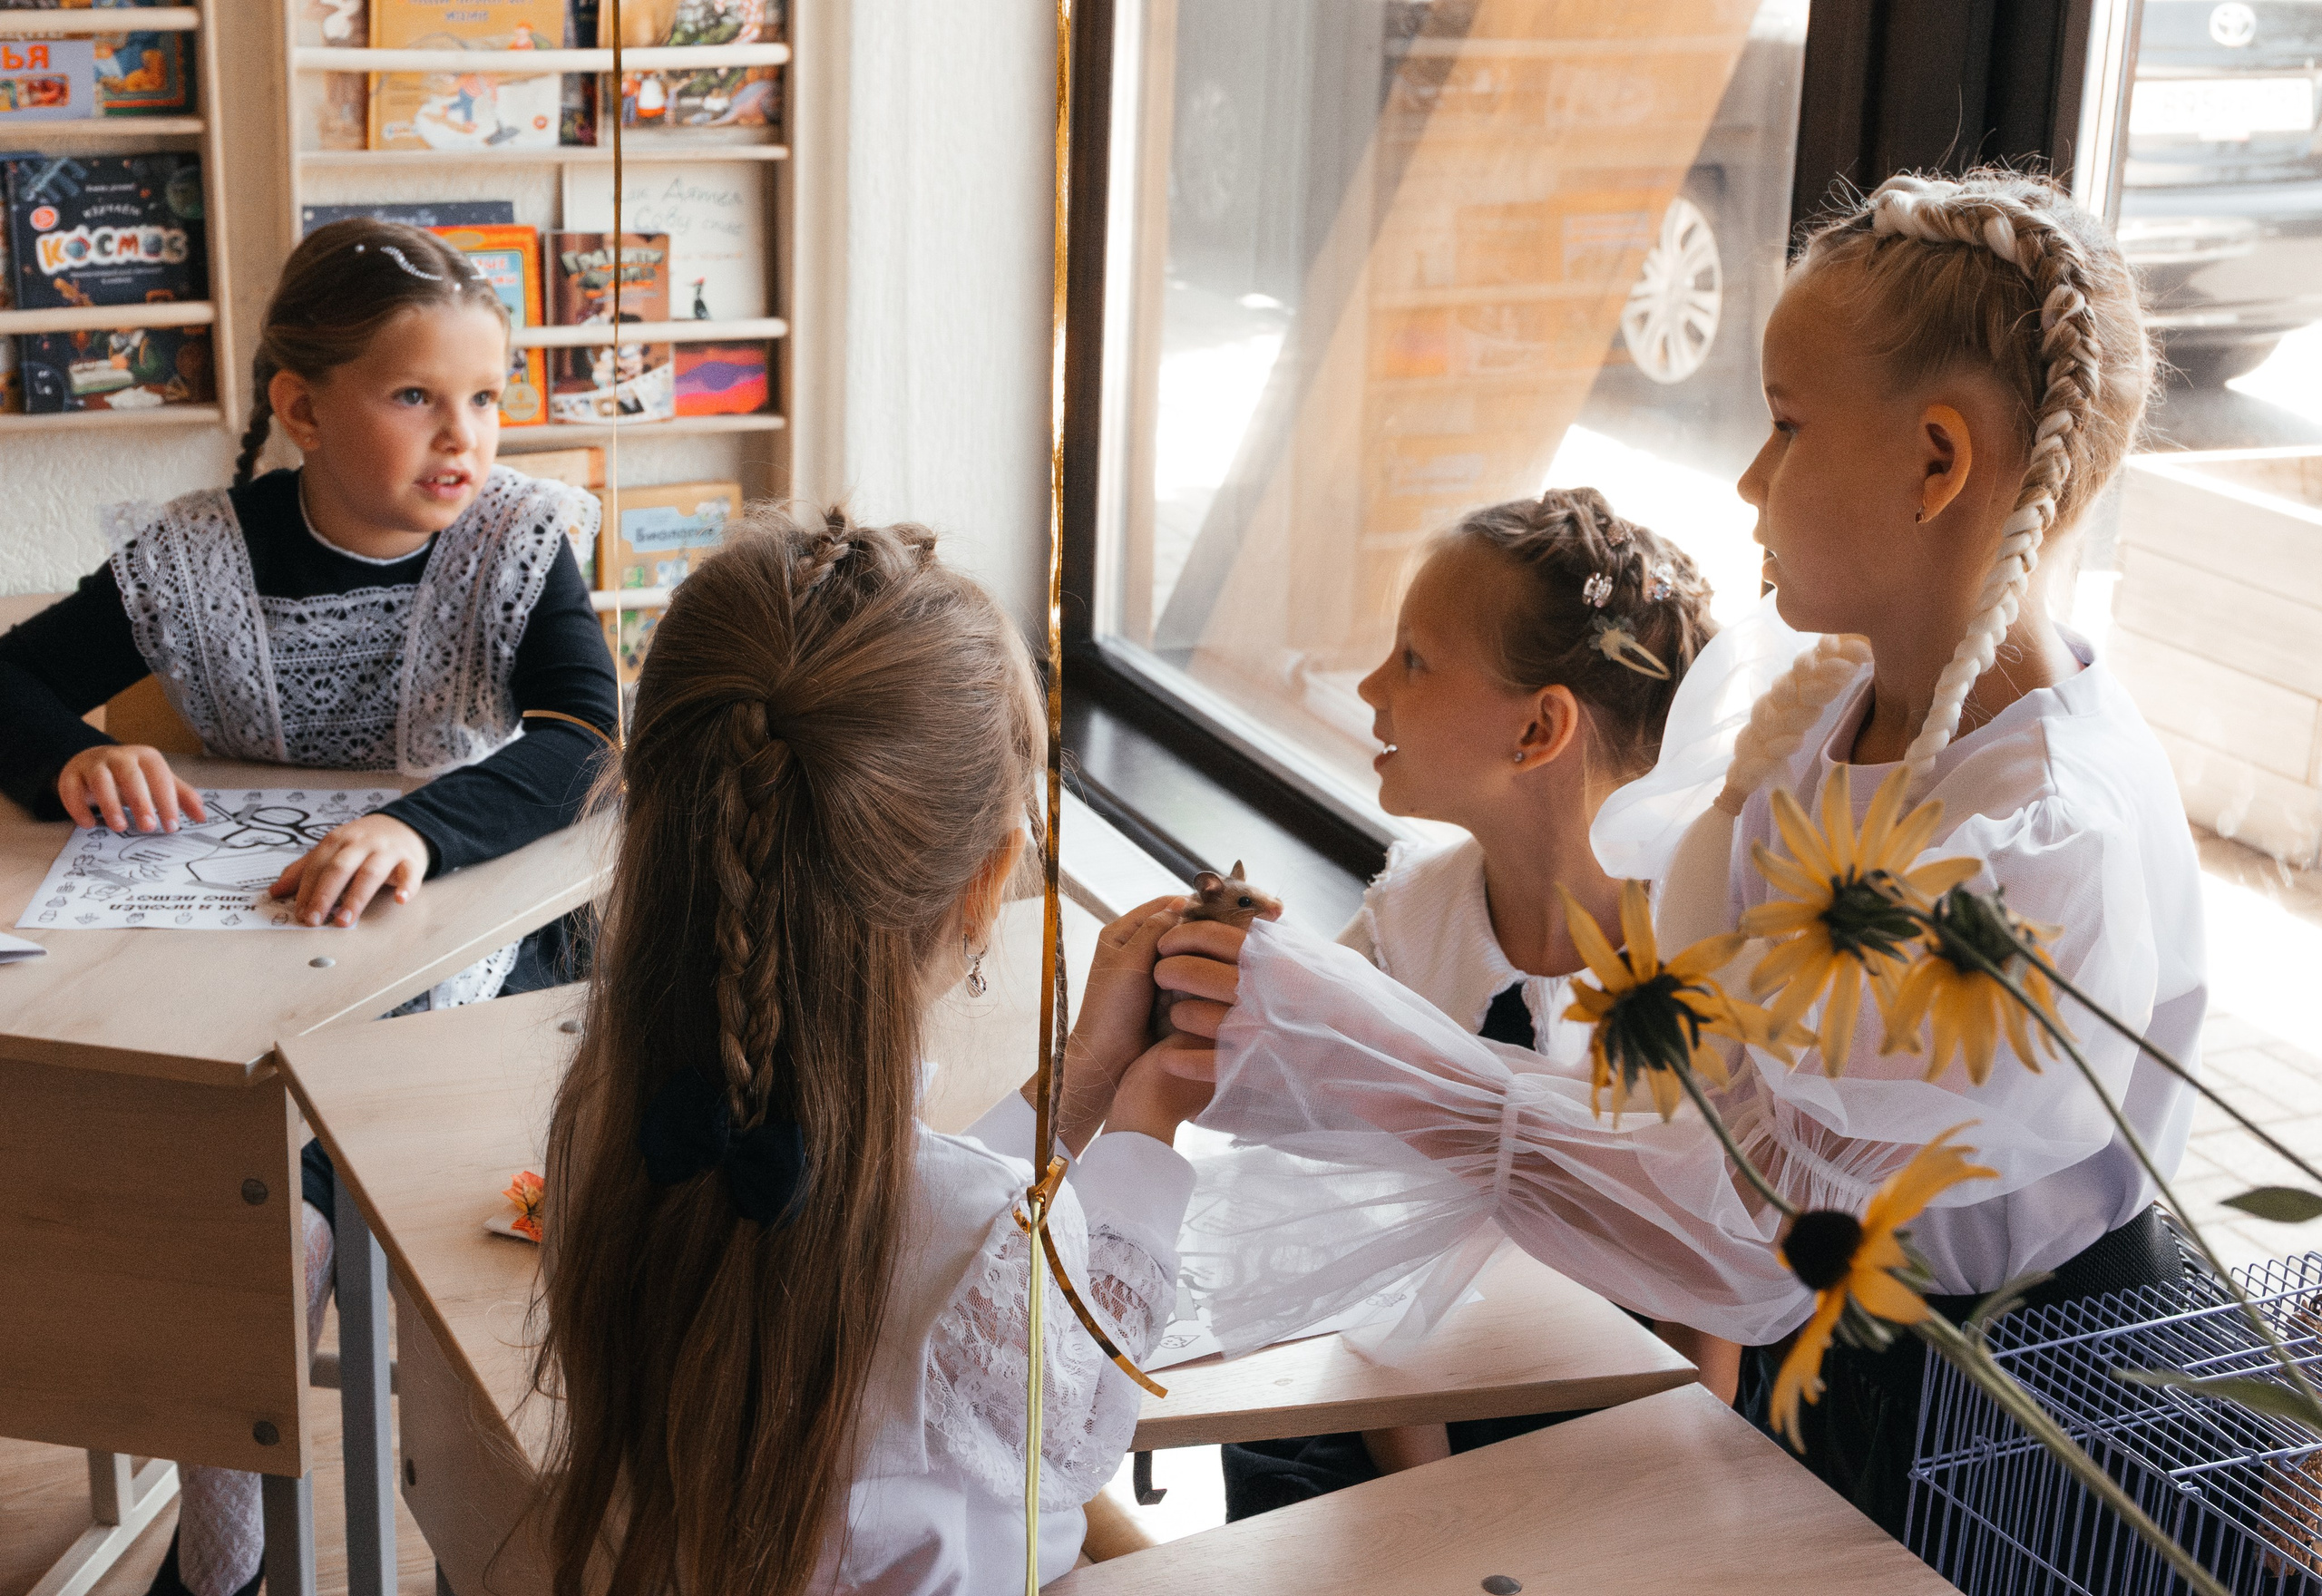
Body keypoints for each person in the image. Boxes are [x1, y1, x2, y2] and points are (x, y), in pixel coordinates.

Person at [1160, 167, 2200, 1539]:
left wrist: (1343, 1047)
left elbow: (1742, 1229)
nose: (1750, 476)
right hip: (1852, 1381)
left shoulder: (2040, 848)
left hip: (2028, 1439)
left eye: (1783, 425)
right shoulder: (1811, 720)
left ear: (1936, 464)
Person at [0, 218, 619, 1596]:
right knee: (210, 1214)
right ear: (300, 408)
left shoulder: (518, 542)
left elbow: (584, 736)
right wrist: (71, 751)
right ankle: (219, 1563)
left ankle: (452, 1541)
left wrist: (414, 825)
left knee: (304, 1214)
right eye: (415, 398)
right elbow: (9, 684)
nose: (464, 435)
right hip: (225, 968)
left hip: (476, 969)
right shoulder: (196, 558)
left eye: (486, 397)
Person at [532, 506, 1216, 1595]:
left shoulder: (609, 1118)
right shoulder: (981, 1231)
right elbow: (1086, 1426)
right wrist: (1149, 1118)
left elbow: (895, 1217)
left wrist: (1086, 1077)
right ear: (989, 884)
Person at [1223, 488, 1732, 1516]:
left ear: (1539, 728)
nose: (1368, 687)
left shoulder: (1704, 961)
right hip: (1406, 1395)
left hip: (1633, 1424)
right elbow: (1358, 1259)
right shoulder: (1406, 929)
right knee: (1274, 1466)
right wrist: (1439, 1506)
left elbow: (1704, 1340)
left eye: (1411, 660)